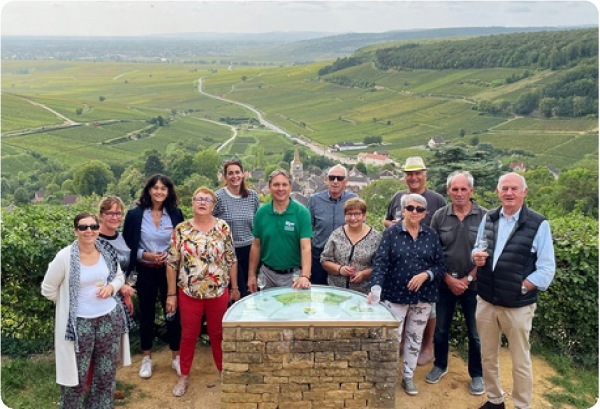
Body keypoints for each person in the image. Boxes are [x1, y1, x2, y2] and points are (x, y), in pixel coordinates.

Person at [473, 173, 555, 409]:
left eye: (514, 189)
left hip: (518, 305)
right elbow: (479, 246)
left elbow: (547, 268)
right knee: (488, 355)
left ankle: (521, 405)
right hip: (487, 301)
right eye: (504, 188)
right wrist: (475, 256)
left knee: (520, 360)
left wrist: (522, 287)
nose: (509, 193)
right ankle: (495, 399)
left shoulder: (538, 224)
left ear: (524, 192)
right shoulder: (488, 218)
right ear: (498, 192)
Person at [41, 212, 134, 409]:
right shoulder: (64, 257)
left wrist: (111, 288)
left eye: (93, 226)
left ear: (99, 229)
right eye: (83, 227)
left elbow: (118, 276)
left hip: (109, 318)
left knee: (106, 373)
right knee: (76, 375)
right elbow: (48, 289)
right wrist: (69, 302)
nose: (89, 231)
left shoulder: (106, 251)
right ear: (75, 231)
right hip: (79, 324)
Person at [166, 187, 240, 397]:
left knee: (218, 334)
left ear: (213, 205)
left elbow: (231, 259)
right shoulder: (181, 229)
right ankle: (184, 376)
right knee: (188, 335)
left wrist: (234, 287)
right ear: (192, 202)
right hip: (190, 293)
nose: (202, 202)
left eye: (207, 200)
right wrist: (171, 294)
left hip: (218, 292)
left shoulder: (222, 228)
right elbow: (172, 263)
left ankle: (222, 371)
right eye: (198, 198)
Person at [370, 193, 445, 396]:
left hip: (423, 297)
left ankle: (408, 376)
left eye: (419, 209)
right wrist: (376, 288)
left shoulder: (430, 235)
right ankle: (388, 377)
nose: (414, 212)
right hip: (395, 295)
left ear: (425, 213)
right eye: (410, 208)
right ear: (403, 210)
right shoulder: (391, 233)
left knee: (414, 337)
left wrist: (426, 275)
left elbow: (440, 265)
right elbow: (380, 264)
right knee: (392, 339)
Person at [426, 171, 487, 395]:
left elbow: (487, 254)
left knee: (475, 334)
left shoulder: (485, 217)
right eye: (455, 189)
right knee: (441, 329)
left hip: (475, 286)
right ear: (448, 191)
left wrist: (469, 278)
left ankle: (477, 374)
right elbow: (433, 253)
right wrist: (448, 279)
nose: (459, 193)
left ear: (471, 191)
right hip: (445, 285)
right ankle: (440, 365)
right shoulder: (439, 216)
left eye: (463, 189)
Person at [383, 156, 447, 366]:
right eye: (409, 174)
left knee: (429, 311)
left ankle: (426, 346)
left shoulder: (437, 200)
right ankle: (404, 344)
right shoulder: (398, 197)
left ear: (424, 175)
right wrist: (393, 225)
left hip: (426, 267)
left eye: (417, 173)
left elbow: (443, 230)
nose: (413, 177)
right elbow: (386, 220)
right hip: (400, 265)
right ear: (405, 177)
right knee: (399, 309)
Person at [122, 174, 184, 379]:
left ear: (168, 192)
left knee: (173, 314)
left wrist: (170, 255)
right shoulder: (135, 214)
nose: (159, 192)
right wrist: (143, 255)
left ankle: (176, 357)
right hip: (145, 270)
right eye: (155, 188)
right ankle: (147, 358)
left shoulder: (175, 214)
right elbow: (128, 245)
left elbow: (181, 243)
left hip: (169, 271)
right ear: (149, 190)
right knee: (147, 314)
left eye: (163, 189)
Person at [247, 168, 312, 292]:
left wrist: (305, 276)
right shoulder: (262, 212)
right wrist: (251, 276)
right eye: (276, 185)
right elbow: (256, 246)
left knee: (294, 310)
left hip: (294, 276)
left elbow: (306, 247)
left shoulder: (301, 213)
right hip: (267, 275)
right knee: (267, 310)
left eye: (284, 184)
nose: (280, 188)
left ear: (290, 187)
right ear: (269, 187)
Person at [213, 159, 260, 298]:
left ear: (243, 174)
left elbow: (257, 223)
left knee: (251, 289)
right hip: (229, 252)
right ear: (225, 176)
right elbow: (208, 221)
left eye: (237, 172)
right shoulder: (218, 197)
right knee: (238, 291)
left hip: (250, 250)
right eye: (230, 173)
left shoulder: (252, 196)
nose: (235, 176)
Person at [307, 164, 358, 285]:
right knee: (318, 293)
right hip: (318, 256)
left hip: (344, 258)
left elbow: (359, 227)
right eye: (332, 178)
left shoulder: (354, 200)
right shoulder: (315, 200)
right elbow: (307, 230)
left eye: (339, 178)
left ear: (346, 181)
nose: (335, 181)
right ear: (326, 179)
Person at [320, 198, 381, 294]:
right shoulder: (337, 234)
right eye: (349, 214)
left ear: (364, 216)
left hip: (362, 293)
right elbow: (324, 260)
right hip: (336, 291)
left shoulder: (375, 237)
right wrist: (340, 269)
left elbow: (380, 266)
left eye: (357, 214)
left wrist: (364, 274)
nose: (353, 218)